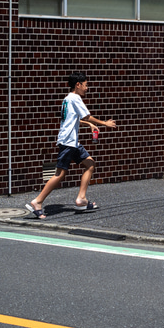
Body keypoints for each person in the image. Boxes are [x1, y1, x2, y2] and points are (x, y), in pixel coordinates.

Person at [25, 71, 116, 219]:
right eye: (85, 85)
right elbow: (86, 115)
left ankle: (81, 200)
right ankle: (37, 201)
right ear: (78, 85)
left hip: (72, 142)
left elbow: (75, 119)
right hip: (68, 142)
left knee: (90, 164)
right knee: (59, 175)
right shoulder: (75, 98)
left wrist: (88, 125)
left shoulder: (67, 99)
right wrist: (104, 123)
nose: (87, 88)